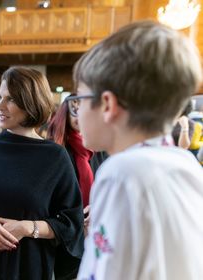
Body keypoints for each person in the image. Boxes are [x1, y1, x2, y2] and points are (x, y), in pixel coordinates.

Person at [71, 21, 203, 280]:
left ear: (107, 104)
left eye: (80, 99)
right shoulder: (185, 163)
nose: (77, 111)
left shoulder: (122, 172)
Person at [0, 67, 84, 280]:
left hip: (30, 266)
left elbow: (70, 221)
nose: (0, 106)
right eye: (0, 97)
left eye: (10, 99)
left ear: (31, 102)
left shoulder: (55, 156)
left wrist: (28, 228)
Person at [47, 98, 107, 279]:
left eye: (84, 110)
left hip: (96, 227)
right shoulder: (56, 149)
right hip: (66, 230)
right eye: (74, 110)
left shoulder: (101, 148)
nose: (80, 115)